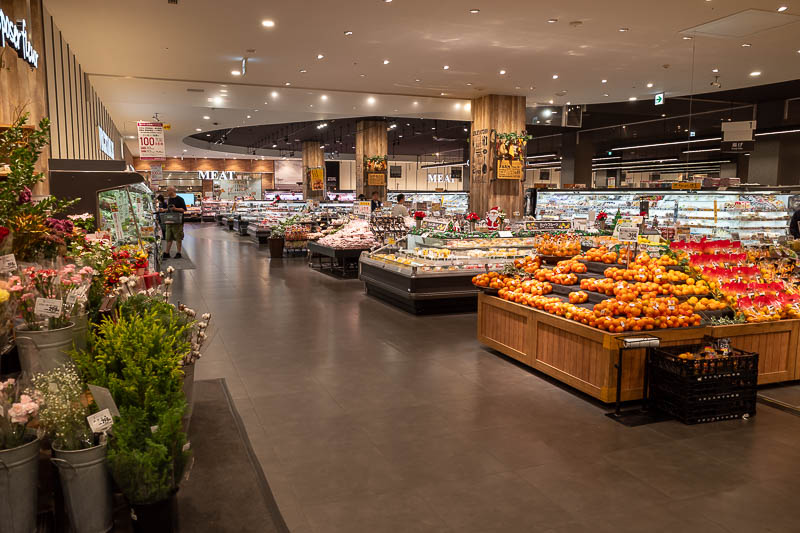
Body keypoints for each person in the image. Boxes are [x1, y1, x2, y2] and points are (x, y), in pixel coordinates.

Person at [161, 186, 186, 259]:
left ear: (172, 191)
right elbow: (169, 209)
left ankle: (179, 252)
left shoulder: (180, 199)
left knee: (178, 237)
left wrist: (175, 208)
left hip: (178, 222)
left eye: (167, 190)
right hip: (169, 221)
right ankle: (167, 252)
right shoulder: (169, 199)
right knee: (168, 237)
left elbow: (184, 209)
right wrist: (164, 210)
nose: (167, 192)